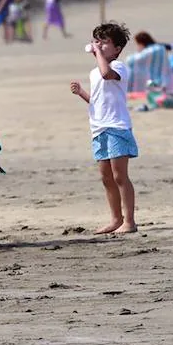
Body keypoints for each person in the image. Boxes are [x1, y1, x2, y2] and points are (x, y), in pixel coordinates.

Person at [69, 22, 138, 235]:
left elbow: (107, 73)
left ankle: (130, 221)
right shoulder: (94, 72)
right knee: (106, 178)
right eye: (97, 41)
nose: (99, 45)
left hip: (117, 127)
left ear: (117, 48)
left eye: (105, 42)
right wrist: (82, 93)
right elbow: (97, 101)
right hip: (99, 129)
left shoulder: (118, 67)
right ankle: (115, 219)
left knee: (119, 176)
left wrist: (98, 53)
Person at [125, 32, 173, 97]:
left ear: (141, 42)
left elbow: (131, 61)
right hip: (167, 80)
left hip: (160, 82)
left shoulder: (153, 50)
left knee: (133, 70)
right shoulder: (158, 48)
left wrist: (140, 51)